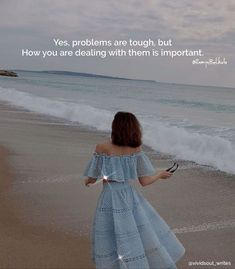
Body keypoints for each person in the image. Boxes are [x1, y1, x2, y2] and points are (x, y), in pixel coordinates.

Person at [83, 111, 185, 269]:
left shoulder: (102, 147)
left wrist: (87, 181)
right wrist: (160, 175)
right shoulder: (136, 149)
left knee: (111, 235)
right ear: (133, 128)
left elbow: (92, 178)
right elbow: (144, 181)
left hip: (109, 196)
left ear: (114, 126)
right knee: (133, 235)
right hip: (129, 196)